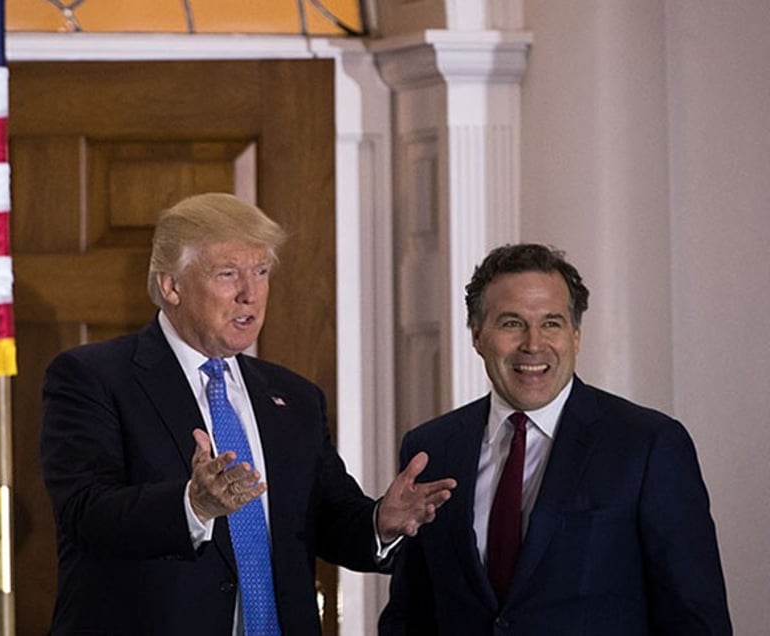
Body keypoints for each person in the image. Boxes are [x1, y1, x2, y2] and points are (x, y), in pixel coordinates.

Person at [40, 193, 456, 635]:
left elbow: (326, 517)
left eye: (260, 272)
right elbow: (86, 514)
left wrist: (381, 523)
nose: (250, 294)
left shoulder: (295, 398)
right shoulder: (93, 378)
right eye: (227, 274)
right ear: (171, 286)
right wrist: (193, 505)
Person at [378, 243, 732, 635]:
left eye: (551, 323)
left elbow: (697, 620)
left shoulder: (648, 445)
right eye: (512, 323)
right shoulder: (431, 449)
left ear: (576, 335)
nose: (533, 344)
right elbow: (409, 616)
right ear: (478, 336)